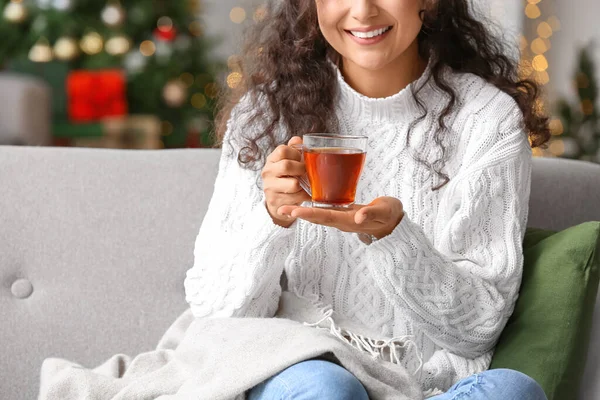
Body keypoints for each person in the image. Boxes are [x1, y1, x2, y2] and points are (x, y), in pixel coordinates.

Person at [184, 0, 551, 399]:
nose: (362, 11)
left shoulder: (487, 120)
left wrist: (395, 240)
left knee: (514, 391)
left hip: (425, 387)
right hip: (304, 371)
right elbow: (216, 313)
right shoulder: (264, 115)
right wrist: (271, 219)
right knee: (329, 388)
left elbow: (478, 329)